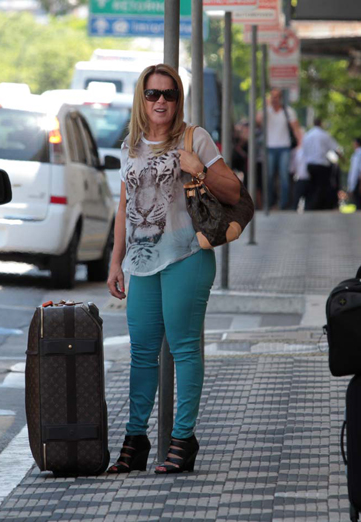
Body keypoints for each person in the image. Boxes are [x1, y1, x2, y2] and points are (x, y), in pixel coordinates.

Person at [106, 63, 241, 475]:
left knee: (184, 349)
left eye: (169, 94)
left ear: (178, 99)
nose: (161, 101)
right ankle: (135, 440)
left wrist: (196, 167)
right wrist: (116, 258)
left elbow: (233, 190)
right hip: (142, 262)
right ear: (141, 100)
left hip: (186, 256)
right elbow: (125, 204)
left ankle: (183, 438)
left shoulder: (194, 137)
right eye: (152, 94)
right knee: (142, 354)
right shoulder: (131, 144)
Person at [257, 88, 301, 210]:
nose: (274, 99)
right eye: (272, 96)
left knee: (284, 177)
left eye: (277, 96)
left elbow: (296, 129)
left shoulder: (288, 111)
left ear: (281, 98)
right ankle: (270, 202)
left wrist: (300, 144)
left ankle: (284, 203)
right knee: (269, 176)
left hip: (284, 148)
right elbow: (258, 121)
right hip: (269, 148)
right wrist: (265, 106)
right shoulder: (266, 111)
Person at [301, 118, 340, 210]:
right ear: (321, 123)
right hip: (322, 164)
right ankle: (319, 205)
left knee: (313, 186)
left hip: (310, 164)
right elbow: (335, 148)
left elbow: (304, 150)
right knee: (322, 186)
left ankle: (312, 205)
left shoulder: (307, 135)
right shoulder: (325, 135)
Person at [347, 137, 361, 206]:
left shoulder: (357, 155)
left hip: (358, 181)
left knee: (359, 203)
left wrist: (351, 186)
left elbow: (355, 170)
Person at [292, 141, 310, 212]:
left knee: (308, 201)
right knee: (297, 198)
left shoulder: (302, 152)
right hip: (300, 178)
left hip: (308, 178)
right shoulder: (297, 152)